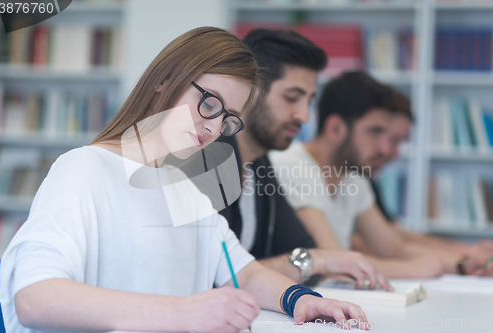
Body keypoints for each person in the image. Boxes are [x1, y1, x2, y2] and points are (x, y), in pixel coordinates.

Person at [0, 27, 369, 333]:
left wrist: (302, 300)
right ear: (164, 81)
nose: (214, 128)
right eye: (209, 102)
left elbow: (243, 272)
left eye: (228, 118)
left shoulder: (180, 187)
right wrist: (183, 313)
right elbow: (34, 298)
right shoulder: (83, 169)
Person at [208, 28, 390, 290]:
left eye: (308, 101)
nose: (303, 117)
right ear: (249, 91)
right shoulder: (211, 157)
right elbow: (212, 275)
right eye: (291, 98)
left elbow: (306, 252)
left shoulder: (260, 167)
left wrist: (312, 262)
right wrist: (312, 262)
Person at [270, 71, 493, 278]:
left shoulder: (352, 177)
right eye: (374, 132)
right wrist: (414, 269)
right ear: (335, 128)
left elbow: (393, 246)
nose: (385, 149)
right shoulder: (291, 165)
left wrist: (465, 262)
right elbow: (333, 262)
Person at [351, 88, 493, 269]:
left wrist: (465, 251)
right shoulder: (352, 176)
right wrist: (462, 261)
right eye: (393, 139)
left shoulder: (361, 178)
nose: (389, 151)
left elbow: (393, 236)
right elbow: (363, 245)